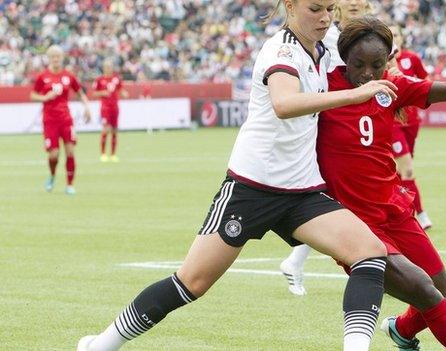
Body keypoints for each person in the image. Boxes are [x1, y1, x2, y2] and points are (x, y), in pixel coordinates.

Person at [77, 1, 400, 350]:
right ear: (290, 6)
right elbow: (284, 104)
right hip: (252, 188)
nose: (325, 17)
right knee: (190, 283)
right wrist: (356, 94)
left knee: (369, 252)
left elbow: (365, 57)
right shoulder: (281, 51)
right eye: (315, 9)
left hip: (302, 190)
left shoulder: (322, 47)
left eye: (329, 9)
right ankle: (101, 345)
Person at [318, 17, 446, 350]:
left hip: (394, 211)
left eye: (377, 65)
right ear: (344, 59)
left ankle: (401, 329)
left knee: (443, 296)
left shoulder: (392, 86)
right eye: (358, 65)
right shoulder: (323, 88)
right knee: (427, 294)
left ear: (388, 61)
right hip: (356, 227)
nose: (368, 74)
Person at [279, 0, 371, 296]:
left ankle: (296, 260)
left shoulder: (355, 36)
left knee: (329, 194)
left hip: (343, 121)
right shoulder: (324, 37)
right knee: (332, 193)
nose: (355, 4)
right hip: (327, 124)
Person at [387, 24, 432, 230]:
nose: (394, 38)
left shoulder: (412, 59)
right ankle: (418, 214)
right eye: (390, 35)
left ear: (402, 38)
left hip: (412, 122)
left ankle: (400, 210)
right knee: (406, 168)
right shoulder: (382, 61)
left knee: (401, 171)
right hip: (393, 123)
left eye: (396, 34)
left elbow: (426, 82)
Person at [30, 45, 91, 195]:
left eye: (58, 56)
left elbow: (79, 92)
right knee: (54, 154)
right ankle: (52, 175)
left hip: (66, 119)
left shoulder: (68, 76)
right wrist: (45, 97)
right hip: (50, 120)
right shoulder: (43, 77)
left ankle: (70, 185)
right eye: (53, 57)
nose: (56, 59)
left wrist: (87, 107)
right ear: (49, 58)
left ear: (62, 58)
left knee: (70, 151)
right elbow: (32, 95)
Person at [93, 59, 128, 163]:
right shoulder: (99, 80)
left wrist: (124, 94)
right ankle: (103, 154)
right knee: (106, 129)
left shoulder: (116, 79)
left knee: (114, 131)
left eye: (110, 67)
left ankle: (113, 155)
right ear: (103, 68)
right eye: (106, 67)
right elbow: (94, 93)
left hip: (115, 108)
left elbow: (121, 90)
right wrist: (102, 93)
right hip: (105, 108)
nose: (108, 69)